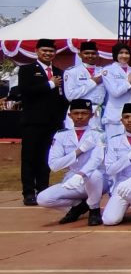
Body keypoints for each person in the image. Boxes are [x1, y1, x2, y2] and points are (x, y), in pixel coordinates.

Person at [37, 98, 104, 226]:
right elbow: (54, 165)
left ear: (92, 115)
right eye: (76, 113)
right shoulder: (61, 135)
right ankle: (79, 206)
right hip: (72, 178)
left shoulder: (99, 134)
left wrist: (81, 174)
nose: (80, 117)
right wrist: (79, 151)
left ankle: (94, 209)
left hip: (96, 180)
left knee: (94, 174)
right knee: (43, 199)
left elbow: (96, 160)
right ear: (69, 115)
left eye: (84, 113)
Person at [17, 38, 67, 206]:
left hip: (53, 123)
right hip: (33, 122)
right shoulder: (27, 70)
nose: (48, 53)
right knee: (29, 157)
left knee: (46, 158)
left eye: (51, 51)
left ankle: (43, 189)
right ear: (37, 51)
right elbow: (25, 91)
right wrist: (50, 84)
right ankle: (28, 192)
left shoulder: (59, 72)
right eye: (44, 50)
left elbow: (62, 98)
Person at [62, 41, 105, 126]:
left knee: (96, 134)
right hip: (78, 111)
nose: (90, 56)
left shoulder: (103, 71)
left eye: (93, 53)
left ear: (97, 54)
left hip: (97, 111)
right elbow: (70, 96)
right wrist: (93, 82)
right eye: (86, 53)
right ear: (80, 54)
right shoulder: (72, 72)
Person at [99, 43, 131, 136]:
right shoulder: (108, 70)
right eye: (121, 53)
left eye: (127, 53)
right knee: (114, 142)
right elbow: (115, 92)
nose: (124, 55)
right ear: (115, 54)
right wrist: (128, 82)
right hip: (114, 116)